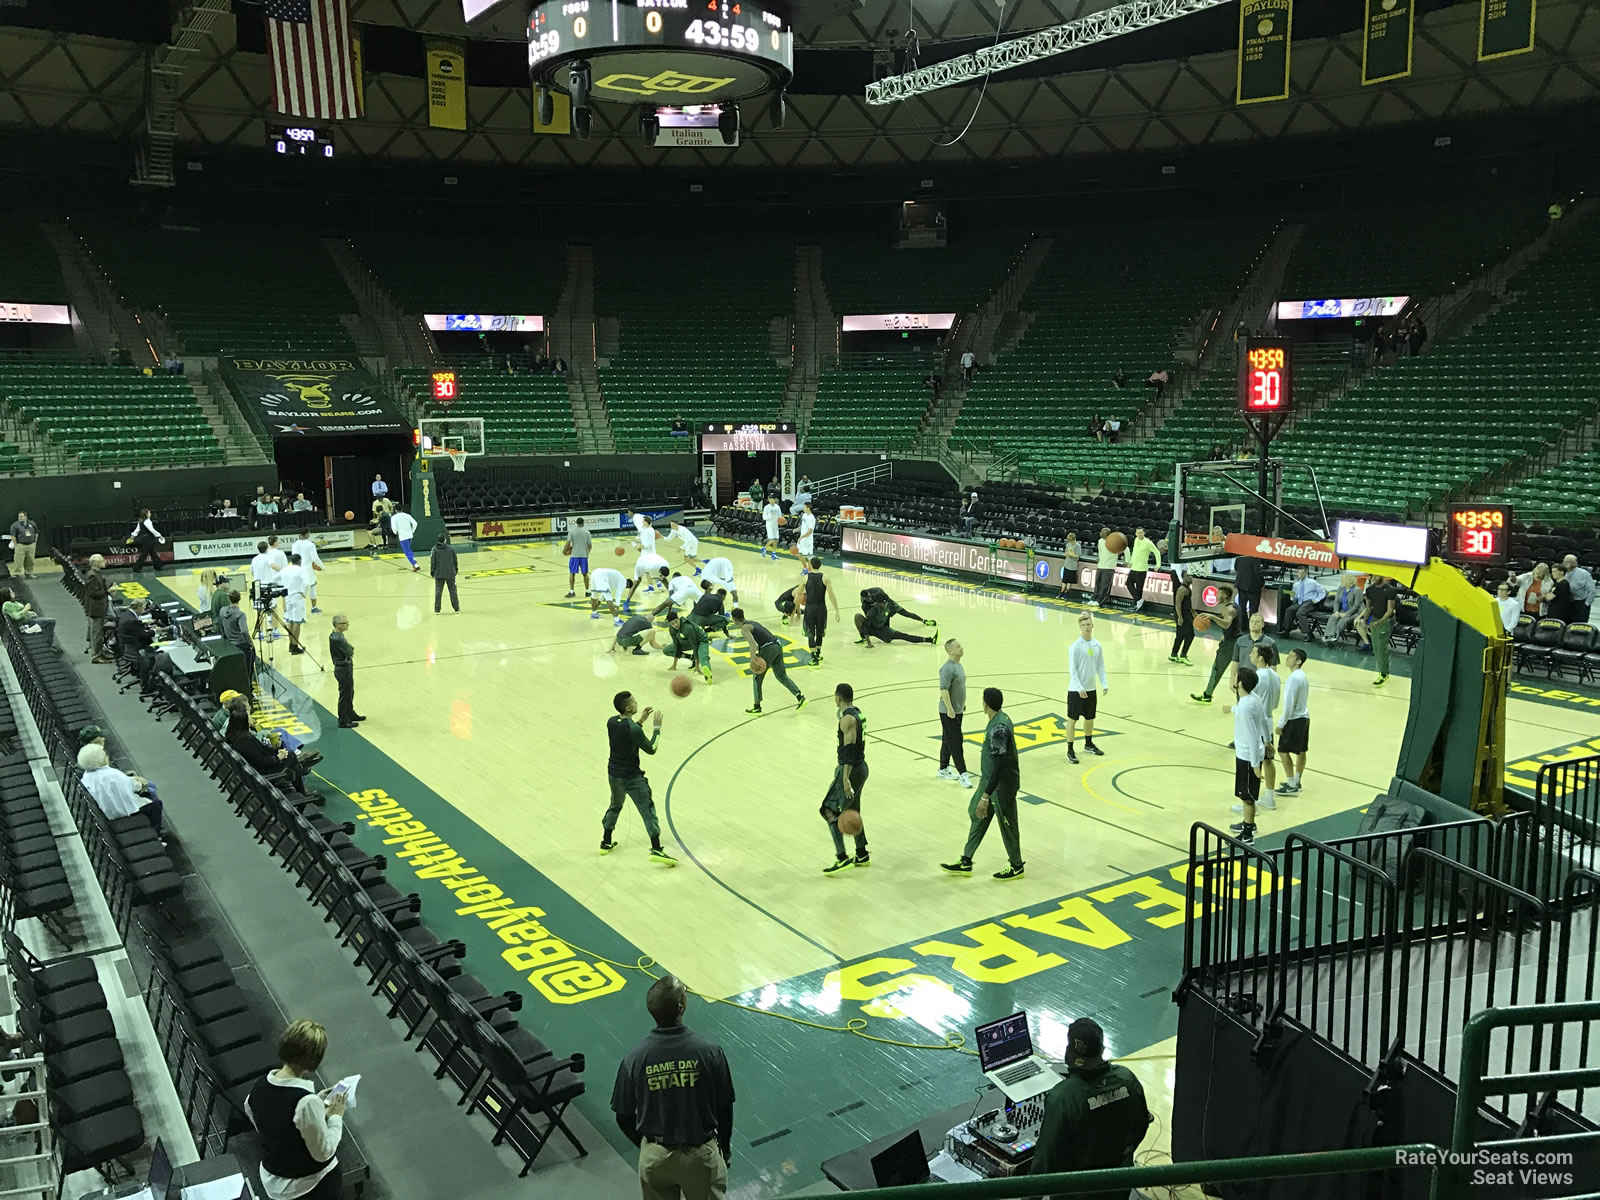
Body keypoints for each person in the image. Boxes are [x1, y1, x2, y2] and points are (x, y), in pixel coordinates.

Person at [611, 975, 734, 1200]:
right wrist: (724, 1148)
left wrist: (649, 1148)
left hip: (655, 1155)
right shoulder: (709, 1052)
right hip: (700, 1155)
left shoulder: (634, 1059)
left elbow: (623, 1115)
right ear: (681, 1007)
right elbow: (724, 1107)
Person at [1028, 1017, 1151, 1199]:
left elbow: (1045, 1160)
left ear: (1069, 1052)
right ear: (1101, 1050)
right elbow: (1142, 1124)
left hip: (1076, 1191)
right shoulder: (1128, 1079)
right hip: (1118, 1184)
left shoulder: (1063, 1098)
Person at [245, 1019, 347, 1200]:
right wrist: (335, 1116)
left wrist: (317, 1102)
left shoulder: (258, 1086)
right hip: (302, 1185)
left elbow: (268, 1123)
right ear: (315, 1060)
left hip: (272, 1173)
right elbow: (323, 1153)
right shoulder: (305, 1102)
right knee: (333, 1167)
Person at [941, 686, 1024, 880]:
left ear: (985, 704)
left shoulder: (998, 729)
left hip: (1001, 786)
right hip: (989, 781)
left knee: (1008, 824)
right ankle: (966, 861)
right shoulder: (999, 720)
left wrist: (986, 796)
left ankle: (1016, 865)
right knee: (976, 814)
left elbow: (1001, 764)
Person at [602, 692, 675, 862]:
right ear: (628, 707)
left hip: (614, 774)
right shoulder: (633, 729)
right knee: (648, 811)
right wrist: (657, 728)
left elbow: (628, 734)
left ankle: (606, 841)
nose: (636, 704)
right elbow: (651, 748)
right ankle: (656, 849)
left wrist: (641, 721)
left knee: (615, 805)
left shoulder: (612, 722)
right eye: (634, 702)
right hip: (632, 777)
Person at [820, 683, 868, 874]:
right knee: (852, 808)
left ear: (837, 697)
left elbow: (848, 748)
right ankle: (862, 852)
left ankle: (842, 857)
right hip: (861, 767)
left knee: (829, 810)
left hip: (851, 769)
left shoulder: (847, 719)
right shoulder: (856, 713)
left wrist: (845, 777)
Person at [1229, 644, 1280, 803]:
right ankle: (1269, 796)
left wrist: (1234, 709)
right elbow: (1277, 703)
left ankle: (1251, 804)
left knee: (1255, 762)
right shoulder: (1275, 675)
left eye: (1253, 652)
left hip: (1257, 723)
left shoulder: (1257, 678)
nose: (1250, 654)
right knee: (1268, 760)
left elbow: (1249, 702)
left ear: (1260, 658)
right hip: (1268, 720)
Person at [1227, 666, 1271, 845]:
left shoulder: (1245, 706)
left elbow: (1253, 737)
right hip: (1252, 753)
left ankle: (1247, 835)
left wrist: (1254, 765)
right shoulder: (1254, 699)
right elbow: (1263, 721)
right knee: (1247, 795)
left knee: (1246, 796)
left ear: (1240, 683)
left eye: (1235, 677)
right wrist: (1268, 742)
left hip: (1247, 757)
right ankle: (1248, 824)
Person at [77, 743, 163, 832]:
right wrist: (142, 784)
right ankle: (155, 832)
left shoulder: (86, 777)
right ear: (101, 760)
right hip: (125, 814)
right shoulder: (114, 775)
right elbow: (136, 787)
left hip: (107, 812)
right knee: (155, 799)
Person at [733, 609, 804, 716]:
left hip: (769, 648)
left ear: (734, 619)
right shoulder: (753, 623)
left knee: (757, 677)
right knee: (781, 675)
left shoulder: (745, 628)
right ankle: (800, 697)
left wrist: (753, 659)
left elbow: (752, 644)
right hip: (777, 645)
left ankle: (757, 707)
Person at [228, 707, 313, 794]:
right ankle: (301, 789)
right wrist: (278, 758)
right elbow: (261, 761)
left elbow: (262, 749)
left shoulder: (235, 734)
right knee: (293, 760)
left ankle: (300, 779)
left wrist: (277, 751)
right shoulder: (245, 740)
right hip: (263, 772)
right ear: (244, 720)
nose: (252, 718)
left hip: (257, 769)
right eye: (249, 716)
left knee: (292, 760)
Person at [1065, 613, 1109, 764]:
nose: (1087, 628)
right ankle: (1070, 750)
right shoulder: (1075, 647)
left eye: (1088, 625)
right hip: (1076, 690)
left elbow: (1100, 666)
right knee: (1072, 719)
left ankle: (1088, 744)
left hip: (1091, 689)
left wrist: (1104, 683)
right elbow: (1073, 670)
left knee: (1090, 718)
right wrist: (1079, 687)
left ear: (1092, 625)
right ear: (1080, 627)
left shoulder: (1097, 645)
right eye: (1084, 625)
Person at [1191, 584, 1241, 704]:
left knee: (1217, 669)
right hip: (1237, 640)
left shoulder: (1228, 609)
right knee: (1240, 673)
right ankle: (1242, 700)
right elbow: (1234, 626)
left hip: (1231, 644)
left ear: (1224, 595)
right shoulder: (1235, 606)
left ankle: (1207, 695)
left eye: (1218, 594)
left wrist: (1212, 617)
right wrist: (1226, 635)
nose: (1216, 596)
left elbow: (1227, 624)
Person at [1276, 647, 1311, 796]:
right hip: (1304, 717)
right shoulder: (1302, 676)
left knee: (1283, 751)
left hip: (1294, 719)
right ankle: (1296, 780)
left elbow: (1289, 704)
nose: (1287, 658)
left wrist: (1281, 724)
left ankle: (1291, 785)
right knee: (1301, 750)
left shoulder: (1294, 678)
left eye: (1291, 657)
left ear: (1298, 661)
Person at [937, 638, 971, 788]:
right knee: (956, 740)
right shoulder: (947, 668)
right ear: (950, 650)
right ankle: (963, 773)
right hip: (948, 711)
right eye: (958, 646)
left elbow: (960, 687)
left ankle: (943, 768)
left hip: (957, 709)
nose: (961, 648)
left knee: (948, 739)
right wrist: (950, 709)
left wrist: (961, 704)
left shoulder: (959, 666)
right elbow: (944, 690)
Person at [854, 590, 936, 647]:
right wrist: (869, 643)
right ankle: (863, 638)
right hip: (872, 629)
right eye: (884, 603)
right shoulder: (873, 610)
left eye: (886, 602)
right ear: (878, 602)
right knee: (857, 616)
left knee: (903, 636)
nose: (885, 604)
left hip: (881, 629)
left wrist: (887, 630)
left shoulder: (889, 605)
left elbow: (887, 617)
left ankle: (930, 640)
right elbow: (866, 625)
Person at [1357, 574, 1398, 686]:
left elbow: (1390, 610)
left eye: (1376, 577)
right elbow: (1368, 607)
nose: (1373, 579)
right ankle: (1383, 671)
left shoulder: (1390, 590)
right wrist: (1365, 621)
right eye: (1372, 577)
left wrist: (1378, 623)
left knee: (1381, 647)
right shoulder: (1370, 590)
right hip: (1375, 619)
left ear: (1382, 577)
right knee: (1375, 648)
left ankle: (1384, 673)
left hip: (1386, 621)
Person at [800, 557, 839, 667]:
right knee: (820, 632)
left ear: (811, 565)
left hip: (810, 608)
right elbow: (831, 595)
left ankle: (813, 658)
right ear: (820, 565)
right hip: (821, 608)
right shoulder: (825, 577)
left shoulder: (805, 577)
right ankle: (818, 653)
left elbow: (798, 593)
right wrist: (836, 610)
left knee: (810, 633)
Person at [330, 615, 363, 728]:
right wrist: (351, 649)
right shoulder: (338, 638)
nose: (347, 625)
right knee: (345, 694)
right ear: (338, 625)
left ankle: (350, 713)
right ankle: (343, 719)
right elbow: (350, 651)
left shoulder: (335, 635)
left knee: (350, 692)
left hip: (343, 667)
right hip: (343, 668)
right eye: (344, 623)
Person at [664, 611, 714, 685]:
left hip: (701, 641)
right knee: (667, 650)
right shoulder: (671, 629)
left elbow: (694, 645)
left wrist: (697, 666)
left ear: (678, 618)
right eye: (672, 623)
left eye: (676, 622)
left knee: (703, 657)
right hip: (687, 642)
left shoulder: (688, 627)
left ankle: (708, 673)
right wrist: (674, 665)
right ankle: (691, 657)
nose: (675, 625)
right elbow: (676, 645)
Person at [1282, 567, 1331, 639]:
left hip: (1309, 602)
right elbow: (1294, 595)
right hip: (1299, 602)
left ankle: (1308, 633)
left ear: (1306, 573)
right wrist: (1292, 597)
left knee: (1300, 613)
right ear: (1297, 573)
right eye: (1299, 573)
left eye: (1302, 573)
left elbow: (1322, 592)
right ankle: (1286, 630)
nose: (1300, 575)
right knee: (1289, 610)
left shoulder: (1312, 582)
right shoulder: (1296, 585)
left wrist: (1317, 599)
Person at [84, 553, 116, 662]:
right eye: (102, 561)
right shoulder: (92, 575)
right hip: (96, 609)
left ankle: (100, 653)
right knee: (97, 634)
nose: (105, 562)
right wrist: (108, 591)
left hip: (99, 608)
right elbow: (93, 593)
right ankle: (96, 656)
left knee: (99, 633)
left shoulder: (96, 574)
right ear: (97, 563)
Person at [218, 590, 255, 681]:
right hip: (241, 644)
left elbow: (221, 626)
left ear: (228, 599)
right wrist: (250, 643)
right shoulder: (240, 614)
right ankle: (249, 680)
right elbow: (244, 631)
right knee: (251, 657)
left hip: (230, 644)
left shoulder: (222, 611)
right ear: (240, 599)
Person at [1321, 574, 1367, 646]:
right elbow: (1336, 601)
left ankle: (1334, 637)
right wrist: (1336, 611)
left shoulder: (1357, 590)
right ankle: (1327, 636)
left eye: (1343, 580)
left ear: (1349, 581)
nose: (1341, 581)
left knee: (1342, 621)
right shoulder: (1341, 588)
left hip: (1355, 613)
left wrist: (1346, 614)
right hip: (1342, 611)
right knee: (1333, 617)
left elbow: (1356, 606)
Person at [289, 531, 325, 615]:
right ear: (306, 534)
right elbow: (315, 558)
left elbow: (294, 557)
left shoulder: (294, 544)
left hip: (297, 569)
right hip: (307, 570)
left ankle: (298, 608)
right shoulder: (310, 545)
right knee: (312, 588)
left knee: (299, 590)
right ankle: (313, 608)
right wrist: (322, 566)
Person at [281, 554, 310, 655]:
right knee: (297, 622)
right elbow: (307, 583)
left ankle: (290, 644)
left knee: (291, 621)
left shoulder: (285, 569)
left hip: (288, 597)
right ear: (300, 561)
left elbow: (276, 579)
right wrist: (304, 593)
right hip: (297, 597)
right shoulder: (301, 570)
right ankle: (295, 646)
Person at [1126, 528, 1160, 611]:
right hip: (1134, 567)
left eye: (1141, 533)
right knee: (1128, 583)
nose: (1140, 534)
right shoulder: (1136, 540)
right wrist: (1131, 562)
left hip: (1142, 568)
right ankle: (1139, 601)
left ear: (1144, 533)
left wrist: (1158, 565)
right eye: (1138, 533)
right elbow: (1134, 552)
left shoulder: (1148, 542)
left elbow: (1157, 552)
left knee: (1139, 588)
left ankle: (1138, 604)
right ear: (1135, 533)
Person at [127, 509, 165, 573]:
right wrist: (159, 535)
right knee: (144, 554)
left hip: (144, 539)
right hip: (148, 539)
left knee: (152, 552)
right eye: (149, 512)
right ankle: (136, 567)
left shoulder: (141, 521)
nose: (150, 513)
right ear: (146, 514)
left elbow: (137, 530)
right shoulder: (147, 521)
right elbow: (152, 530)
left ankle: (158, 565)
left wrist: (132, 537)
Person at [565, 519, 595, 599]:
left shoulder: (572, 532)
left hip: (574, 555)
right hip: (583, 556)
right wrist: (587, 553)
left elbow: (568, 543)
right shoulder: (587, 532)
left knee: (572, 573)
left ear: (576, 523)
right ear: (583, 523)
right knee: (585, 574)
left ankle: (572, 591)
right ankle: (588, 591)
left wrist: (564, 551)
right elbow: (590, 545)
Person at [429, 534, 459, 614]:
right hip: (450, 573)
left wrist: (432, 571)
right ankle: (456, 608)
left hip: (439, 574)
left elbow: (433, 561)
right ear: (445, 540)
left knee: (438, 591)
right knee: (453, 591)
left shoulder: (434, 549)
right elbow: (455, 560)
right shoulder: (451, 548)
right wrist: (455, 569)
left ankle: (437, 610)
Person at [1170, 573, 1195, 664]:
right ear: (1183, 577)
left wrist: (1193, 611)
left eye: (1191, 576)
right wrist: (1180, 617)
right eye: (1188, 575)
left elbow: (1187, 603)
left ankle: (1173, 654)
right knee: (1190, 635)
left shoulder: (1188, 588)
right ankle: (1183, 655)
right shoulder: (1182, 589)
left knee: (1180, 635)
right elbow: (1178, 603)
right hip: (1182, 615)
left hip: (1186, 614)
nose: (1191, 577)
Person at [1093, 528, 1120, 608]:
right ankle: (1095, 597)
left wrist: (1127, 560)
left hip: (1109, 566)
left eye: (1102, 532)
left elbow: (1125, 549)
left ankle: (1100, 600)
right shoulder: (1100, 541)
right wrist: (1099, 558)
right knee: (1098, 583)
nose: (1101, 533)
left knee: (1105, 584)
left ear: (1107, 533)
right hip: (1101, 565)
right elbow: (1100, 551)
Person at [1562, 553, 1595, 617]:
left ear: (1575, 562)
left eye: (1569, 561)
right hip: (1566, 604)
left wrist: (1586, 604)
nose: (1566, 563)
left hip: (1580, 604)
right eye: (1565, 561)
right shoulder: (1561, 572)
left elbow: (1592, 591)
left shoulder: (1584, 574)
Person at [7, 511, 39, 578]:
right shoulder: (15, 525)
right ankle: (17, 574)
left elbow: (36, 533)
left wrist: (34, 543)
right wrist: (16, 545)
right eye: (19, 516)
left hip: (31, 545)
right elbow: (13, 536)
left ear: (26, 517)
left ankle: (29, 573)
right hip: (20, 545)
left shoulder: (32, 523)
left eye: (21, 516)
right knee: (18, 560)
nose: (20, 518)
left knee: (30, 560)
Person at [1057, 533, 1081, 597]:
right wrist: (1067, 554)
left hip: (1073, 565)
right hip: (1067, 564)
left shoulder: (1078, 546)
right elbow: (1066, 552)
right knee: (1064, 580)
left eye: (1071, 540)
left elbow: (1078, 556)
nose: (1070, 542)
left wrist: (1072, 555)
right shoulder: (1068, 545)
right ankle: (1061, 592)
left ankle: (1066, 592)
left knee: (1069, 580)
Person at [793, 504, 817, 569]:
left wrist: (801, 537)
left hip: (808, 539)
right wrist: (797, 529)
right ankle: (805, 568)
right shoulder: (804, 515)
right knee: (798, 553)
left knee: (808, 557)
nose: (803, 508)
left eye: (804, 507)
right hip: (802, 538)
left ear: (808, 508)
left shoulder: (811, 518)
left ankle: (809, 570)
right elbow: (803, 525)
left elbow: (810, 531)